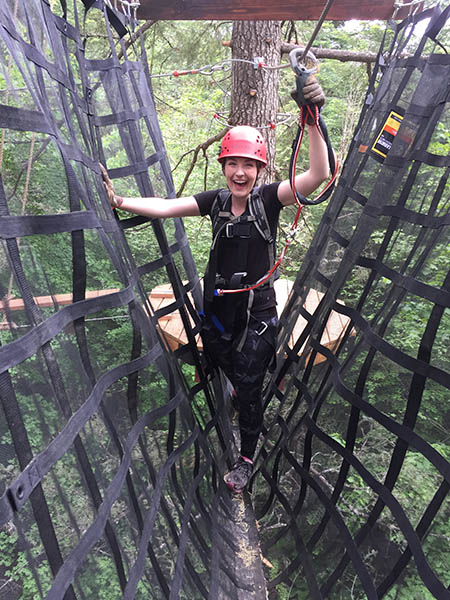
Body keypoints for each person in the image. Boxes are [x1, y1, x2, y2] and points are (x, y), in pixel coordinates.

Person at [101, 76, 329, 493]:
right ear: (223, 166)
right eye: (232, 163)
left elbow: (318, 175)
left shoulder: (268, 201)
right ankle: (232, 381)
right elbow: (167, 207)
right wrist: (119, 202)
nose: (240, 172)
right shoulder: (216, 203)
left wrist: (312, 119)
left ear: (260, 169)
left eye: (248, 165)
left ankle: (246, 459)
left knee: (248, 388)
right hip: (218, 316)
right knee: (222, 362)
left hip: (255, 318)